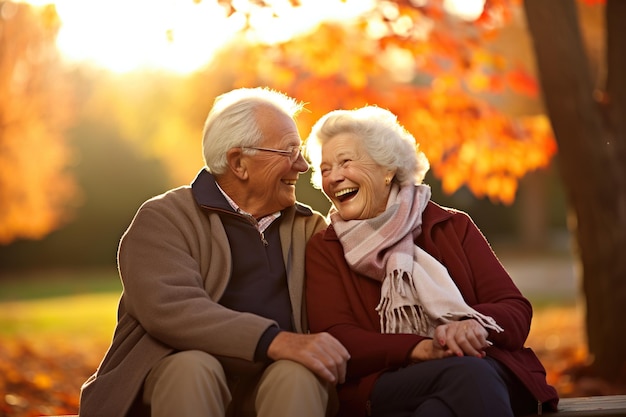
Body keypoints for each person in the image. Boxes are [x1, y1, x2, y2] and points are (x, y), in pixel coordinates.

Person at [78, 87, 350, 417]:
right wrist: (274, 341)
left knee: (299, 374)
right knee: (192, 367)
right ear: (239, 163)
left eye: (301, 151)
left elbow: (356, 289)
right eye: (289, 152)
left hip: (265, 387)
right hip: (173, 382)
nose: (303, 166)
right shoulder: (164, 218)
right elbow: (172, 309)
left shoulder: (310, 229)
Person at [303, 106, 559, 417]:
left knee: (444, 404)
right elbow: (336, 337)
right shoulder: (325, 248)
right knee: (469, 376)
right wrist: (422, 348)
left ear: (387, 170)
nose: (334, 177)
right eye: (325, 169)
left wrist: (470, 326)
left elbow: (514, 309)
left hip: (479, 365)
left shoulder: (451, 226)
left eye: (345, 162)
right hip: (388, 383)